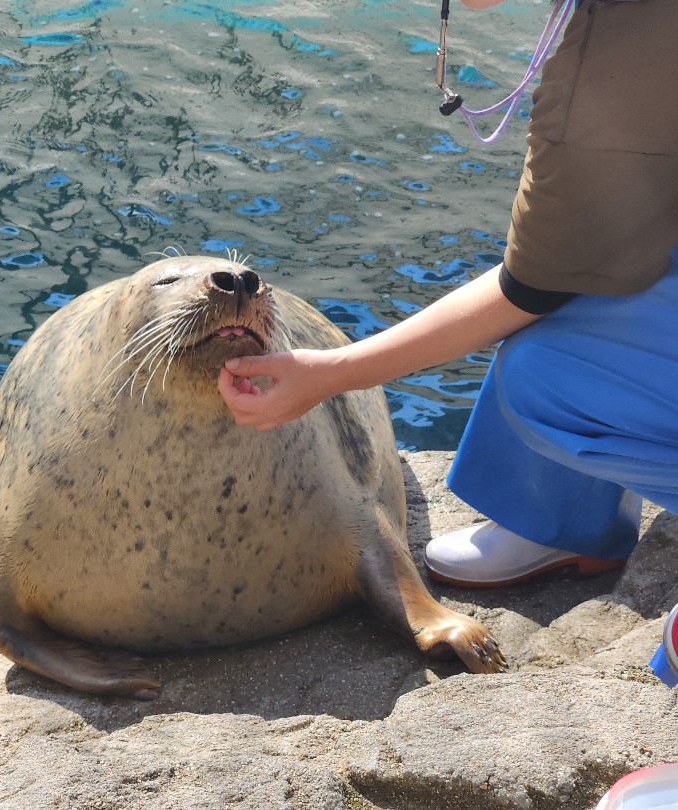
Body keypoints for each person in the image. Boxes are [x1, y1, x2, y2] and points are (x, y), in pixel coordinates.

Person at [218, 0, 678, 587]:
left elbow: (533, 285)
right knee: (598, 256)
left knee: (541, 380)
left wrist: (331, 374)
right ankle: (556, 518)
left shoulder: (627, 45)